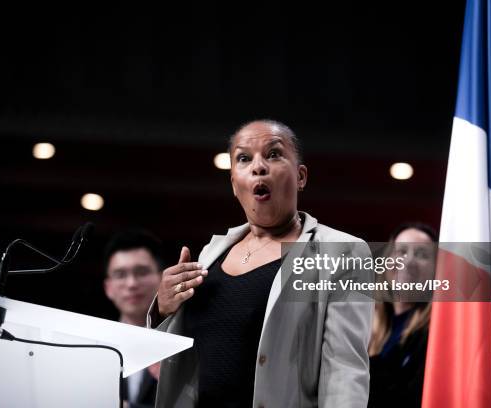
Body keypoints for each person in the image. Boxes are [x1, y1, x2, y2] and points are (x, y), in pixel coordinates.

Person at [147, 120, 373, 407]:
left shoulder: (341, 251)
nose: (258, 166)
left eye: (274, 154)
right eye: (244, 158)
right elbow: (175, 362)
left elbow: (345, 371)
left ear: (300, 176)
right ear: (233, 183)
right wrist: (163, 309)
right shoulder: (209, 253)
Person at [367, 223, 438, 408]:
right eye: (401, 252)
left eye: (422, 254)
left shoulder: (435, 336)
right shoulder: (365, 324)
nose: (408, 262)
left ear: (436, 270)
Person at [103, 230, 162, 408]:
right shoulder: (93, 344)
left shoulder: (185, 340)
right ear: (108, 288)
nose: (131, 284)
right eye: (120, 275)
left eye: (142, 272)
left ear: (161, 278)